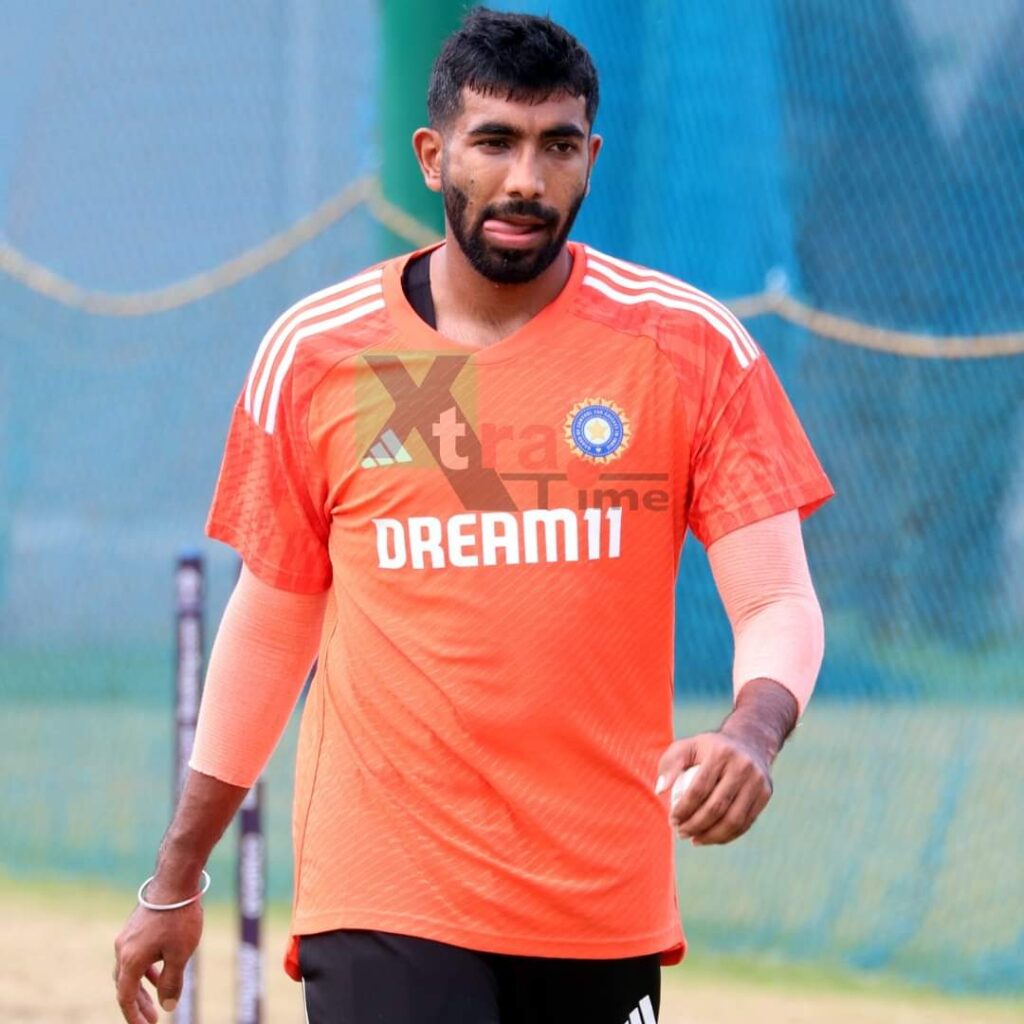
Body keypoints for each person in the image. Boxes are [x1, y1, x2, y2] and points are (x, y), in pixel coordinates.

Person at [113, 8, 833, 1023]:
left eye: (556, 146)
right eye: (494, 142)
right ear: (433, 152)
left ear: (591, 157)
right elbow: (272, 629)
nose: (524, 181)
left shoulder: (689, 348)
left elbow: (777, 598)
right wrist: (177, 873)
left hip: (599, 903)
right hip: (387, 891)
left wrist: (752, 733)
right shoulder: (317, 352)